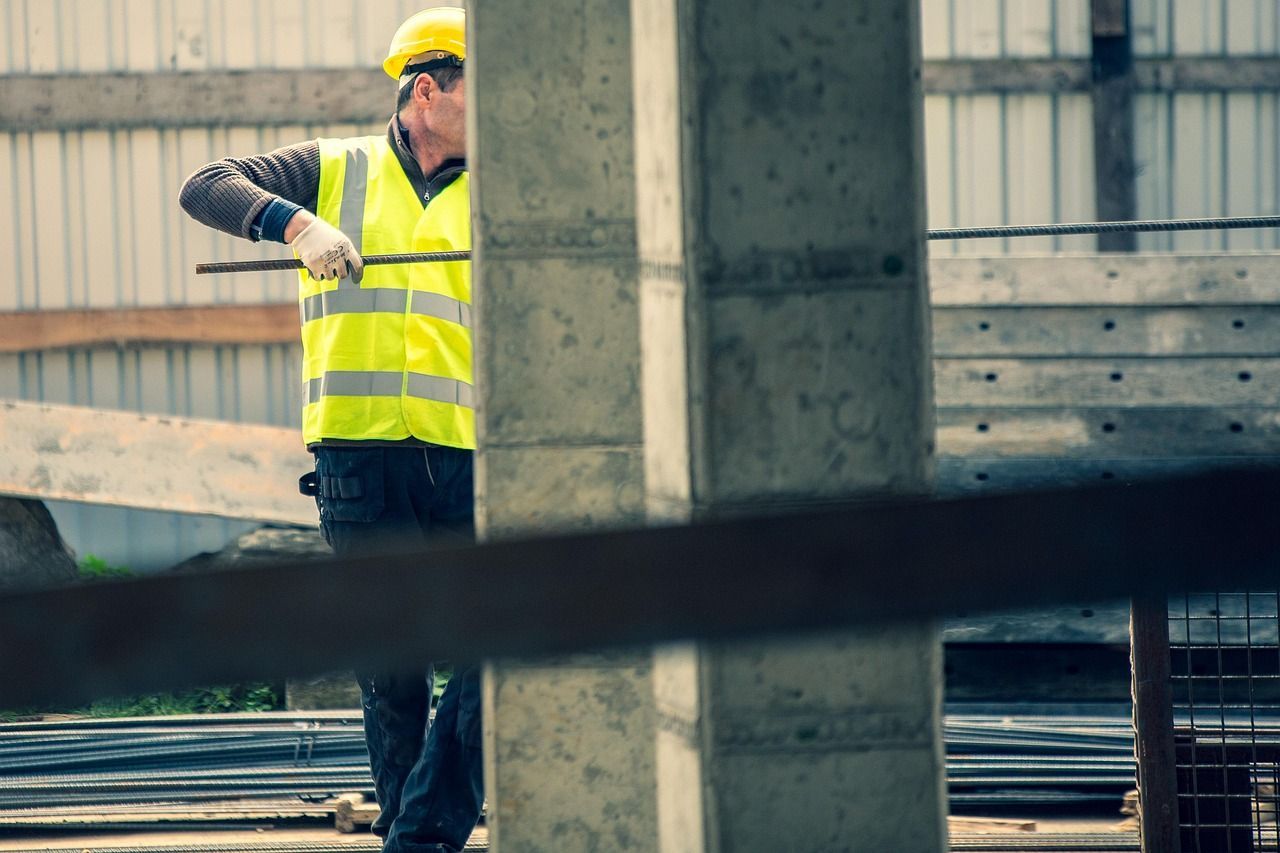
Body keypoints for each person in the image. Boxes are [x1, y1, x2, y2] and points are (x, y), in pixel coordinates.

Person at [178, 8, 481, 852]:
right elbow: (207, 183)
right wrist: (298, 225)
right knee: (393, 671)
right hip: (359, 457)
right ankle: (416, 834)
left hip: (463, 455)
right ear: (430, 89)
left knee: (497, 647)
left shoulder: (508, 186)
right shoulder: (334, 168)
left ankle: (419, 835)